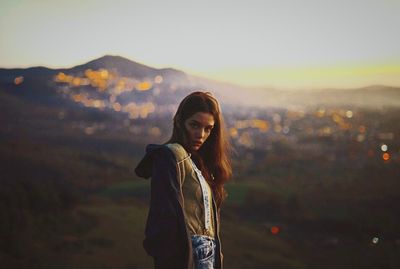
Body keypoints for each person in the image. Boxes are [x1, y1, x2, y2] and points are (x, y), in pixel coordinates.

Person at [135, 91, 232, 269]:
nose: (200, 134)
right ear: (180, 122)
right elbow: (163, 217)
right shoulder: (172, 155)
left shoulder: (201, 164)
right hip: (182, 258)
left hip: (207, 259)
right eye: (194, 125)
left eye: (208, 128)